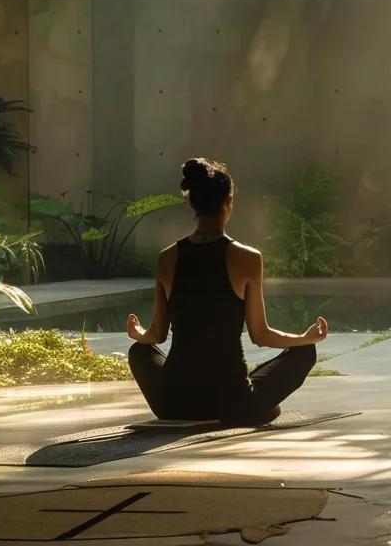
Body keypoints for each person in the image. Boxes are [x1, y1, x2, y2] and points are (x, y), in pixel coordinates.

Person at [127, 157, 327, 425]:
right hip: (232, 402)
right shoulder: (248, 258)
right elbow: (261, 334)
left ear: (191, 203)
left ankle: (248, 407)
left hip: (174, 402)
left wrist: (136, 333)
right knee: (304, 351)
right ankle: (257, 408)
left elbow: (157, 334)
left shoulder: (167, 258)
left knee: (139, 351)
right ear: (229, 201)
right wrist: (305, 338)